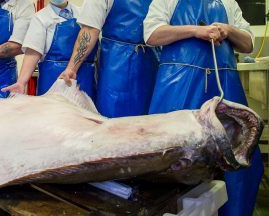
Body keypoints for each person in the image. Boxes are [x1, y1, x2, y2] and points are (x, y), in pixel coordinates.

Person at [143, 0, 264, 215]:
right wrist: (196, 31)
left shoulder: (228, 2)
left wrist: (227, 30)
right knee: (170, 156)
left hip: (225, 84)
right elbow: (152, 34)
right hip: (179, 84)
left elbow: (247, 44)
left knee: (239, 157)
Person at [58, 0, 159, 118]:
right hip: (117, 66)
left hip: (154, 63)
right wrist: (72, 68)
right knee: (114, 120)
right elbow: (90, 30)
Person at [2, 0, 97, 98]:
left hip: (85, 81)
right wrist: (21, 82)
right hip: (52, 82)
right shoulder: (40, 18)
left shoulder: (84, 13)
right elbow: (33, 52)